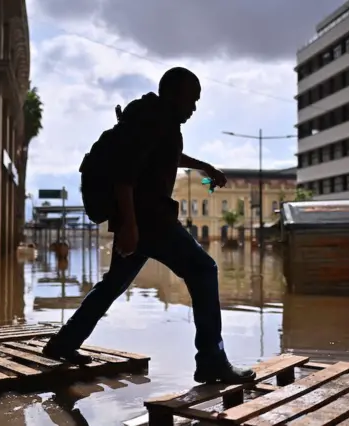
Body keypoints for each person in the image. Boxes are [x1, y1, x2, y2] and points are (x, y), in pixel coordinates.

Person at [43, 67, 256, 384]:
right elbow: (125, 175)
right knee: (203, 269)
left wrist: (204, 166)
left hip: (141, 219)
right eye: (191, 100)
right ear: (173, 93)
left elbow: (166, 154)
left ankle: (63, 343)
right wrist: (130, 225)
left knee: (113, 284)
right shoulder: (154, 119)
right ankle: (211, 359)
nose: (194, 108)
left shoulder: (156, 121)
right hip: (149, 219)